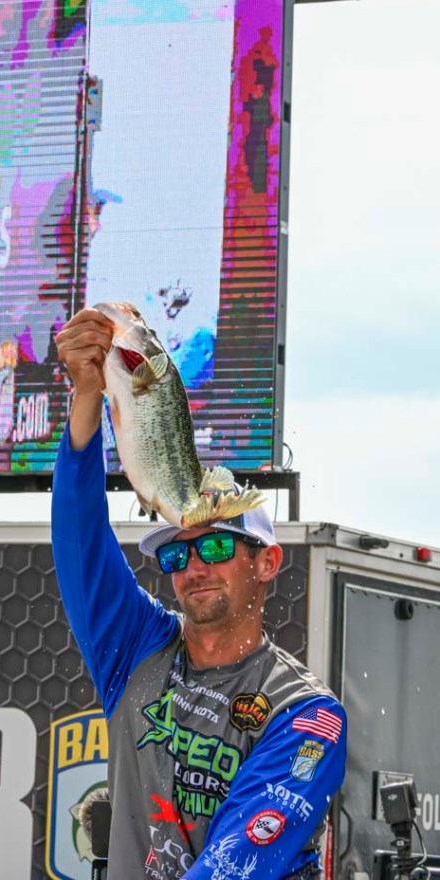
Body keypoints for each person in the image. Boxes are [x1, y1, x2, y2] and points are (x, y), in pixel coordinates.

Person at [51, 308, 347, 880]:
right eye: (176, 555)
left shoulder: (306, 713)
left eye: (215, 547)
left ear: (267, 562)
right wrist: (87, 397)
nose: (193, 567)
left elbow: (235, 862)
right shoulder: (138, 649)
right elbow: (78, 537)